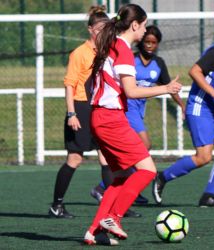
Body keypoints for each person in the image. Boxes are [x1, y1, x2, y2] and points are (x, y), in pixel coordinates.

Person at [83, 4, 181, 245]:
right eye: (144, 24)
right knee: (147, 169)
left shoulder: (110, 44)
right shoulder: (124, 49)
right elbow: (132, 90)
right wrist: (166, 88)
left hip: (99, 117)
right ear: (135, 25)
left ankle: (94, 229)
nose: (145, 29)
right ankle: (114, 218)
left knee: (120, 177)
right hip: (110, 118)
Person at [152, 18, 214, 208]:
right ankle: (162, 177)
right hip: (200, 107)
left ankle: (208, 196)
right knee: (203, 157)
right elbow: (194, 71)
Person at [89, 25, 185, 204]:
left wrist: (181, 105)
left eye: (153, 43)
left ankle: (110, 187)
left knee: (135, 155)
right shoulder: (129, 57)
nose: (149, 45)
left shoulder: (158, 63)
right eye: (147, 41)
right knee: (144, 147)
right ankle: (121, 188)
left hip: (139, 110)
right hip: (125, 108)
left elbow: (169, 86)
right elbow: (130, 89)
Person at [48, 5, 113, 220]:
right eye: (99, 28)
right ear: (90, 29)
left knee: (106, 157)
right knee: (75, 158)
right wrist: (71, 114)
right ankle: (56, 205)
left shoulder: (105, 51)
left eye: (106, 28)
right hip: (80, 108)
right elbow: (69, 85)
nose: (102, 32)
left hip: (98, 108)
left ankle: (113, 206)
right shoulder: (80, 53)